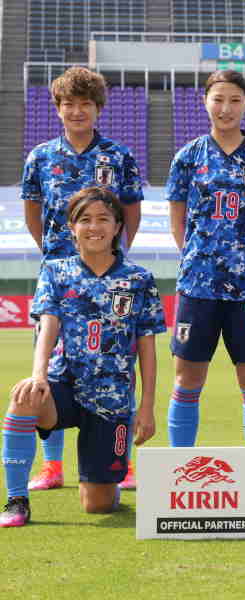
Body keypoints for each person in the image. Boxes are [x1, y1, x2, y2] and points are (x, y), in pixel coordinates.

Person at [1, 187, 165, 527]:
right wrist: (39, 375)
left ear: (118, 226)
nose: (94, 227)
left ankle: (108, 484)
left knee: (98, 506)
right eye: (85, 220)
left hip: (112, 400)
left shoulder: (139, 279)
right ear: (72, 228)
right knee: (24, 397)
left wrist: (146, 406)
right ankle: (16, 500)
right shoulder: (56, 272)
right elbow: (48, 324)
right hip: (65, 386)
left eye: (103, 219)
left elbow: (147, 348)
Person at [21, 66, 144, 491]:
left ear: (97, 108)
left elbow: (130, 211)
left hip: (110, 279)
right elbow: (33, 213)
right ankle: (51, 466)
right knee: (51, 370)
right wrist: (56, 253)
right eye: (68, 104)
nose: (76, 111)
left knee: (117, 367)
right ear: (57, 109)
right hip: (60, 278)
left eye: (85, 104)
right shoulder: (40, 157)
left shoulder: (119, 156)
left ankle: (120, 460)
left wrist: (112, 257)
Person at [165, 70, 245, 448]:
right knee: (186, 380)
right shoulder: (188, 156)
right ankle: (180, 466)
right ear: (205, 102)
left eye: (234, 100)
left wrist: (244, 260)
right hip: (198, 286)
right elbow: (178, 220)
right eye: (218, 99)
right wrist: (200, 258)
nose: (225, 108)